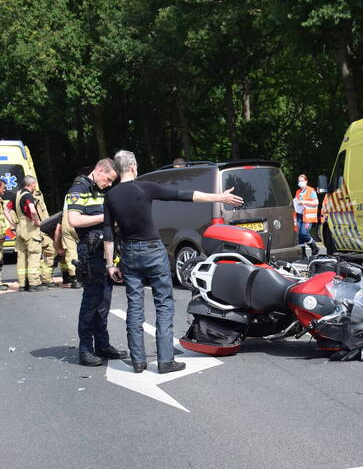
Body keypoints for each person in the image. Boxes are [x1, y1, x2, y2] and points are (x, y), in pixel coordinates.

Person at [103, 150, 243, 374]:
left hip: (129, 253)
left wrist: (110, 264)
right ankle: (165, 360)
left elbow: (108, 233)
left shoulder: (110, 196)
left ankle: (138, 361)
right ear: (132, 167)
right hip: (152, 249)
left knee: (135, 306)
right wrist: (220, 197)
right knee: (164, 304)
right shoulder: (145, 187)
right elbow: (185, 195)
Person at [67, 158, 125, 367]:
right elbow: (73, 219)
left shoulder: (102, 190)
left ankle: (103, 345)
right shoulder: (79, 187)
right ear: (99, 170)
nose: (109, 184)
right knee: (91, 301)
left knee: (104, 302)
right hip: (89, 250)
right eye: (108, 179)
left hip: (105, 250)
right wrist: (104, 217)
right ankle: (85, 349)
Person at [13, 176, 47, 291]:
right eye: (35, 185)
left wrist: (13, 224)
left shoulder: (17, 195)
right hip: (30, 228)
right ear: (32, 184)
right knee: (34, 254)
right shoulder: (28, 195)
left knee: (21, 256)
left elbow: (6, 210)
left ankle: (22, 284)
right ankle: (34, 283)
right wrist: (37, 221)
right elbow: (32, 210)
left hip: (19, 228)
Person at [293, 173, 320, 256]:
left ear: (306, 181)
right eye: (299, 181)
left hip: (307, 216)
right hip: (299, 215)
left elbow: (316, 202)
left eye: (302, 181)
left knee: (304, 233)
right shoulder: (298, 192)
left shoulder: (311, 191)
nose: (300, 182)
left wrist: (304, 202)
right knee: (299, 235)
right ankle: (303, 253)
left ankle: (314, 246)